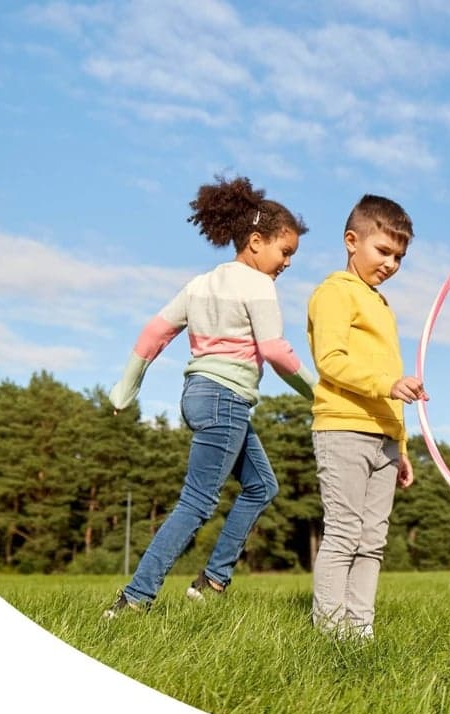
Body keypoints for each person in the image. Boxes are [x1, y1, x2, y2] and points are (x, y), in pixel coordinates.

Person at [103, 176, 316, 617]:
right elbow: (274, 350)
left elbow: (154, 332)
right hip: (226, 399)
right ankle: (134, 598)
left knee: (262, 486)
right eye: (285, 251)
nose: (287, 263)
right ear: (256, 242)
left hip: (198, 395)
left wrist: (127, 385)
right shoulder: (259, 285)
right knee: (197, 503)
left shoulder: (200, 283)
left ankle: (213, 579)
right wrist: (320, 392)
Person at [307, 194, 427, 640]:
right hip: (343, 428)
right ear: (351, 241)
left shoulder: (381, 304)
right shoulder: (335, 292)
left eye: (399, 256)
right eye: (383, 251)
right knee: (344, 533)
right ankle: (329, 631)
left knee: (373, 541)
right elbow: (330, 360)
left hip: (383, 438)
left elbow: (389, 379)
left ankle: (359, 632)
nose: (392, 263)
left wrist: (401, 445)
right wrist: (387, 384)